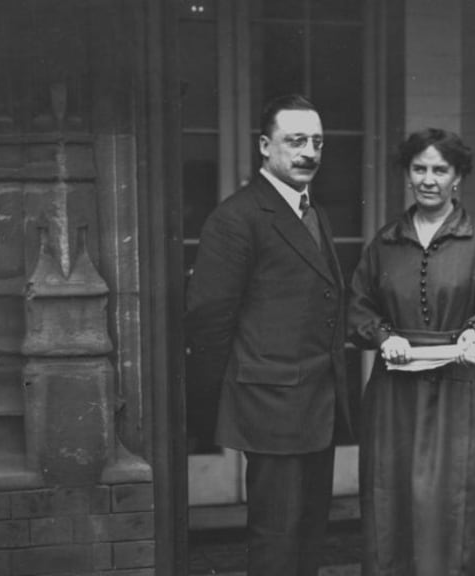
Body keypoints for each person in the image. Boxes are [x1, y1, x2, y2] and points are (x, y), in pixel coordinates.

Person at [184, 94, 353, 576]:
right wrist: (219, 405)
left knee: (309, 532)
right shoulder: (236, 218)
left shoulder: (313, 212)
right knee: (276, 538)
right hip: (270, 406)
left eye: (317, 142)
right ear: (264, 146)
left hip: (317, 402)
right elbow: (209, 319)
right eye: (295, 141)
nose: (309, 152)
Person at [348, 128, 475, 575]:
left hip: (459, 393)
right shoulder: (385, 242)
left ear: (457, 177)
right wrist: (384, 336)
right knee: (391, 501)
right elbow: (358, 307)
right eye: (419, 168)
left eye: (440, 170)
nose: (428, 179)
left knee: (454, 505)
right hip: (395, 395)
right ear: (407, 173)